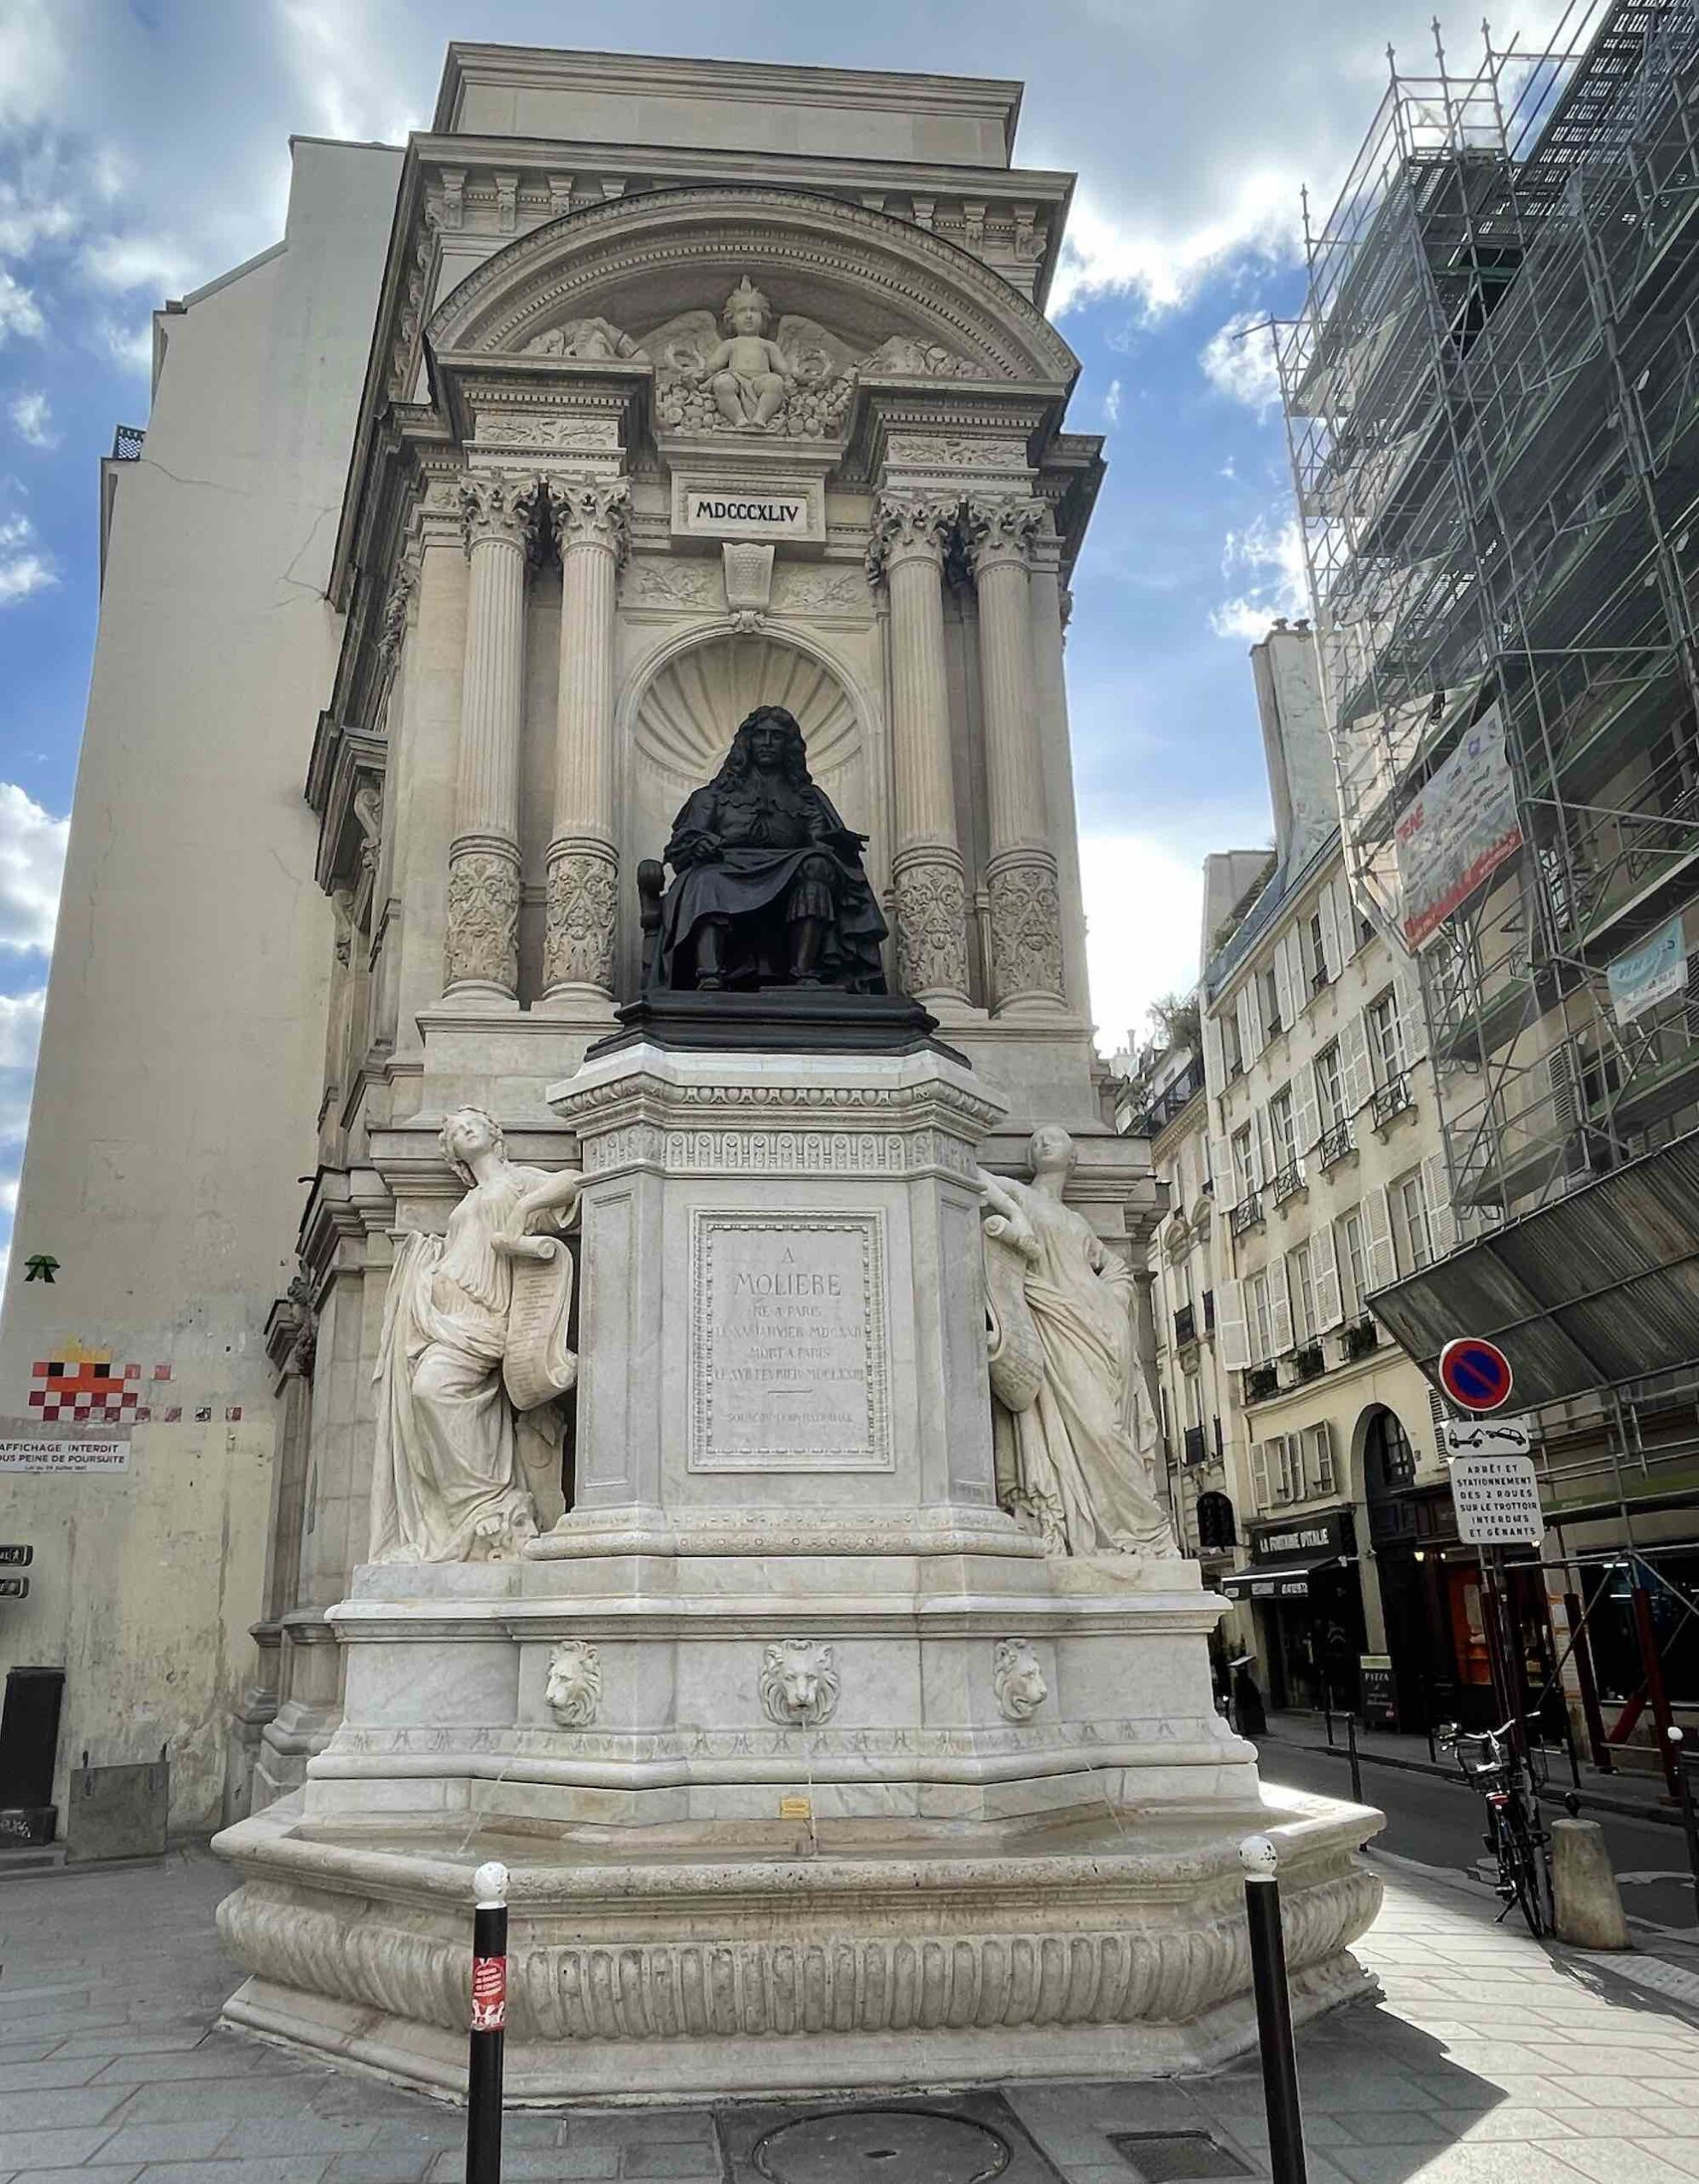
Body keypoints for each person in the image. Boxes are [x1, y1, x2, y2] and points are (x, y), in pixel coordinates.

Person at [369, 1107, 581, 1563]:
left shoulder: (516, 1180)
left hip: (484, 1318)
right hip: (443, 1314)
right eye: (452, 1131)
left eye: (472, 1123)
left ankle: (485, 1501)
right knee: (425, 1393)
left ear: (494, 1134)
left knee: (433, 1390)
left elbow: (571, 1182)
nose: (462, 1129)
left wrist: (524, 1209)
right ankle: (467, 1509)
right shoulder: (468, 1202)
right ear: (454, 1156)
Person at [980, 1126, 1177, 1559]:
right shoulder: (1023, 1196)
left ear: (1074, 1158)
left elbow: (1116, 1270)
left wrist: (1110, 1300)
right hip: (1052, 1324)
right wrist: (1013, 1218)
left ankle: (1137, 1533)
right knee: (1100, 1429)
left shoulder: (1078, 1223)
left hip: (1095, 1328)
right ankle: (1130, 1530)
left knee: (1108, 1426)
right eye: (1037, 1140)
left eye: (1054, 1138)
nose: (1042, 1142)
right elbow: (974, 1175)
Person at [647, 704, 887, 992]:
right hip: (724, 868)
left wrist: (839, 845)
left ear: (789, 746)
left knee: (817, 864)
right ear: (748, 742)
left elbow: (820, 843)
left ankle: (804, 973)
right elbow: (681, 850)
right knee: (704, 878)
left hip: (789, 869)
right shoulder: (713, 797)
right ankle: (709, 973)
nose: (768, 742)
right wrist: (698, 846)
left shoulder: (807, 799)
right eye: (761, 735)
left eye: (777, 736)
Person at [697, 276, 794, 430]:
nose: (749, 316)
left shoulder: (768, 345)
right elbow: (713, 365)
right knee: (723, 384)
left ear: (763, 318)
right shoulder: (730, 344)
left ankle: (760, 418)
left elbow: (782, 368)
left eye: (754, 311)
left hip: (761, 380)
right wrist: (705, 370)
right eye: (742, 311)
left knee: (775, 383)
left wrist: (788, 377)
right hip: (736, 379)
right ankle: (739, 419)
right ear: (732, 319)